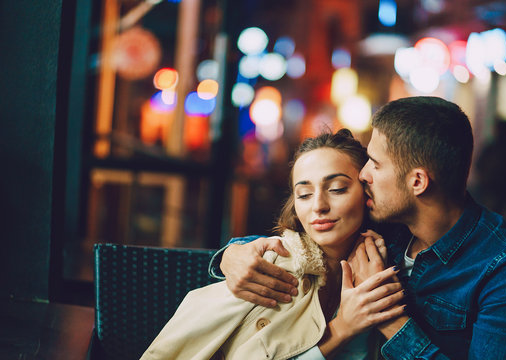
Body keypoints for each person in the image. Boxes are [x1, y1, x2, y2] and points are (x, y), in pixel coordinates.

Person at [215, 96, 506, 359]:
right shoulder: (387, 225)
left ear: (417, 181)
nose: (364, 174)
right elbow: (305, 241)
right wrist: (232, 254)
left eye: (376, 163)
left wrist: (386, 316)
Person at [141, 129, 405, 360]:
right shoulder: (275, 267)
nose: (318, 206)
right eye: (304, 194)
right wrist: (343, 329)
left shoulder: (389, 263)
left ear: (367, 194)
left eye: (336, 189)